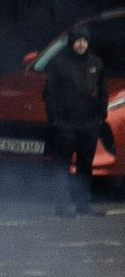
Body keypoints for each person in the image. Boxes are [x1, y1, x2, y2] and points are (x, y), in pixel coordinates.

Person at [43, 25, 107, 215]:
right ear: (71, 42)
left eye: (85, 40)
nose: (81, 44)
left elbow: (102, 92)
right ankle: (62, 207)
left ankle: (83, 204)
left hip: (89, 123)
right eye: (78, 40)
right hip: (66, 123)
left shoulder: (96, 63)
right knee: (62, 165)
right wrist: (54, 119)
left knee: (85, 165)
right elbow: (49, 93)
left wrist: (100, 117)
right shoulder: (59, 64)